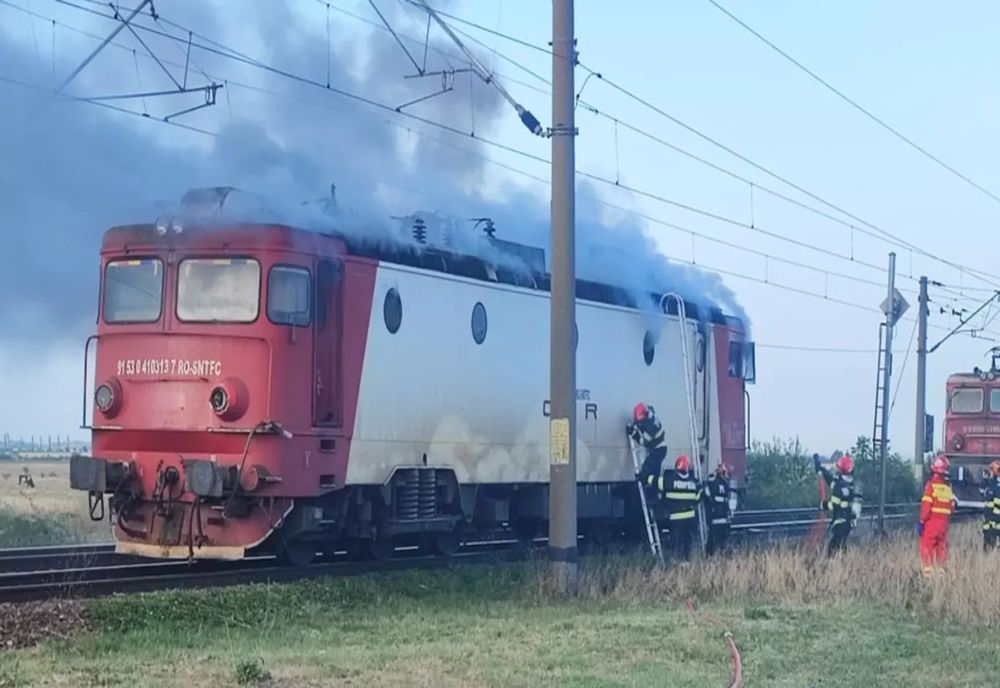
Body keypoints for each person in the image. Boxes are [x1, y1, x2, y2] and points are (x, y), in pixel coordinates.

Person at [649, 454, 702, 560]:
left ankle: (677, 563)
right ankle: (687, 563)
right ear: (687, 467)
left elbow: (655, 481)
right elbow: (698, 498)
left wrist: (644, 477)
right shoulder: (694, 482)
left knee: (677, 544)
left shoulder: (669, 480)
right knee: (687, 544)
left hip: (675, 519)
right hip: (690, 518)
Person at [917, 455, 957, 576]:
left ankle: (928, 574)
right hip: (944, 525)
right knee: (941, 549)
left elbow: (926, 506)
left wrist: (921, 521)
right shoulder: (947, 488)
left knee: (926, 546)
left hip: (931, 522)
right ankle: (941, 573)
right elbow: (952, 507)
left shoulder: (931, 486)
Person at [813, 453, 859, 556]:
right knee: (842, 546)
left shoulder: (839, 487)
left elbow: (834, 505)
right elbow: (831, 481)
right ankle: (845, 567)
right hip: (847, 521)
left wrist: (823, 505)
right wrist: (822, 469)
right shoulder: (849, 484)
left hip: (839, 521)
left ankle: (835, 568)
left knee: (833, 549)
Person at [627, 402, 667, 485]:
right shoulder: (649, 416)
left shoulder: (651, 426)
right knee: (654, 470)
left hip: (658, 450)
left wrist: (634, 434)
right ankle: (653, 489)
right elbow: (641, 424)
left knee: (647, 468)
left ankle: (645, 484)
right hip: (658, 449)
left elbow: (643, 441)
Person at [704, 463, 735, 555]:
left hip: (714, 518)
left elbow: (706, 495)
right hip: (724, 519)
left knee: (712, 543)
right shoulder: (726, 485)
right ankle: (723, 556)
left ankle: (710, 556)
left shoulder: (712, 483)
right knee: (723, 542)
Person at [982, 460, 1000, 550]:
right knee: (988, 535)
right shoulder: (991, 483)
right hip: (989, 517)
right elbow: (982, 492)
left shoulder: (995, 485)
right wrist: (984, 480)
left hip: (994, 517)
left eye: (991, 471)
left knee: (993, 535)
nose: (990, 473)